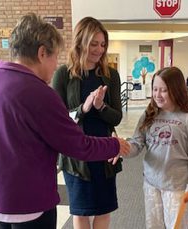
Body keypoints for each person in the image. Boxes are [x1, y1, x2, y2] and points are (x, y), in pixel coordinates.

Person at [0, 13, 130, 229]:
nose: (56, 64)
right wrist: (115, 144)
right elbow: (76, 144)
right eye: (55, 56)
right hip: (29, 201)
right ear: (41, 53)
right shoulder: (40, 93)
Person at [52, 17, 123, 229]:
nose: (99, 50)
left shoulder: (111, 75)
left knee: (104, 208)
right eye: (94, 44)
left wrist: (101, 106)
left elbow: (117, 118)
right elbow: (59, 121)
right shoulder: (63, 74)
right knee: (81, 210)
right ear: (80, 42)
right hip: (76, 155)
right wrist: (84, 107)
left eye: (102, 44)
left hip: (104, 150)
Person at [127, 67, 188, 229]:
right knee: (154, 226)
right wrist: (121, 148)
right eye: (155, 89)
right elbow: (136, 144)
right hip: (151, 183)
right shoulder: (149, 114)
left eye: (163, 90)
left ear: (176, 90)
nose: (157, 94)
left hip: (176, 187)